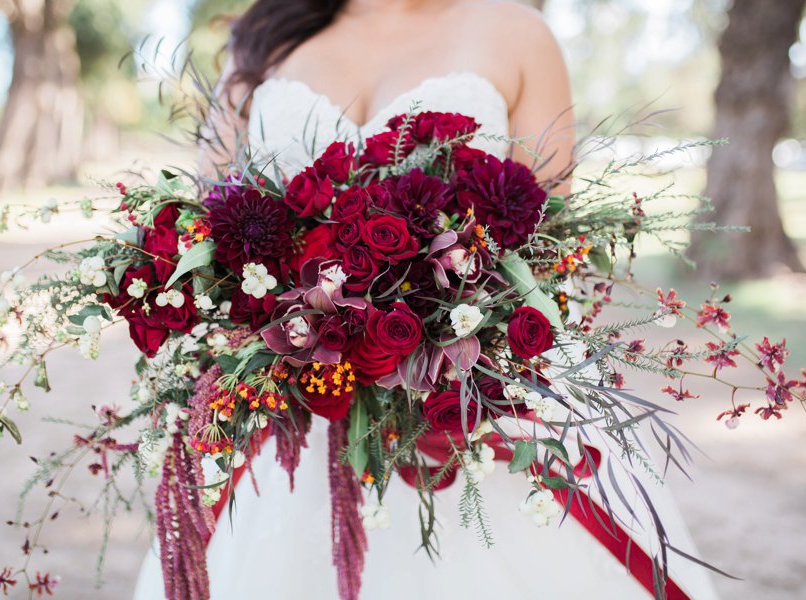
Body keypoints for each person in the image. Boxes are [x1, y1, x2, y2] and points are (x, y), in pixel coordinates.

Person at [135, 1, 719, 597]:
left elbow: (544, 238)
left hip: (468, 401)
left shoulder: (518, 33)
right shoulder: (264, 37)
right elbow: (209, 224)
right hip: (287, 400)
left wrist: (446, 329)